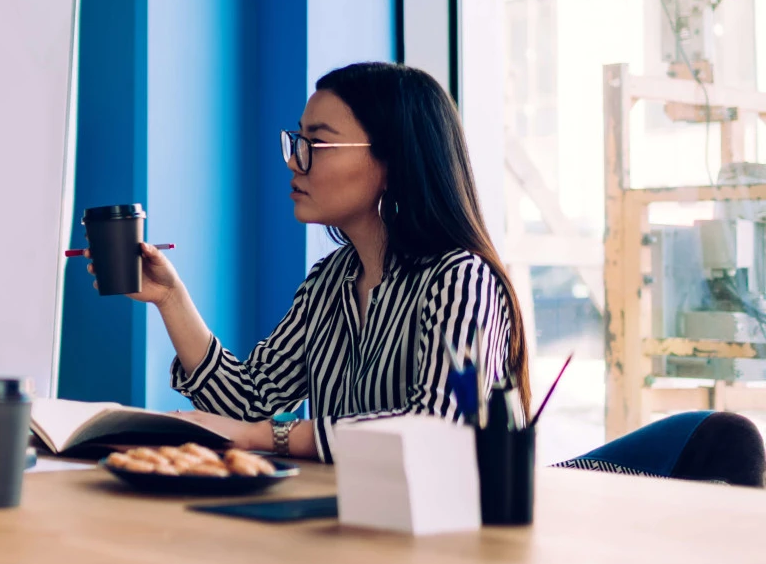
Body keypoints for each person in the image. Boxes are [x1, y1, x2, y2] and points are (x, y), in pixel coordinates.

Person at [112, 61, 764, 486]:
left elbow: (438, 429)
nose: (295, 162)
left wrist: (280, 435)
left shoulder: (460, 279)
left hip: (456, 543)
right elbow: (245, 402)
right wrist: (172, 300)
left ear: (392, 160)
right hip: (370, 530)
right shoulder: (328, 285)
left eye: (316, 141)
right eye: (295, 141)